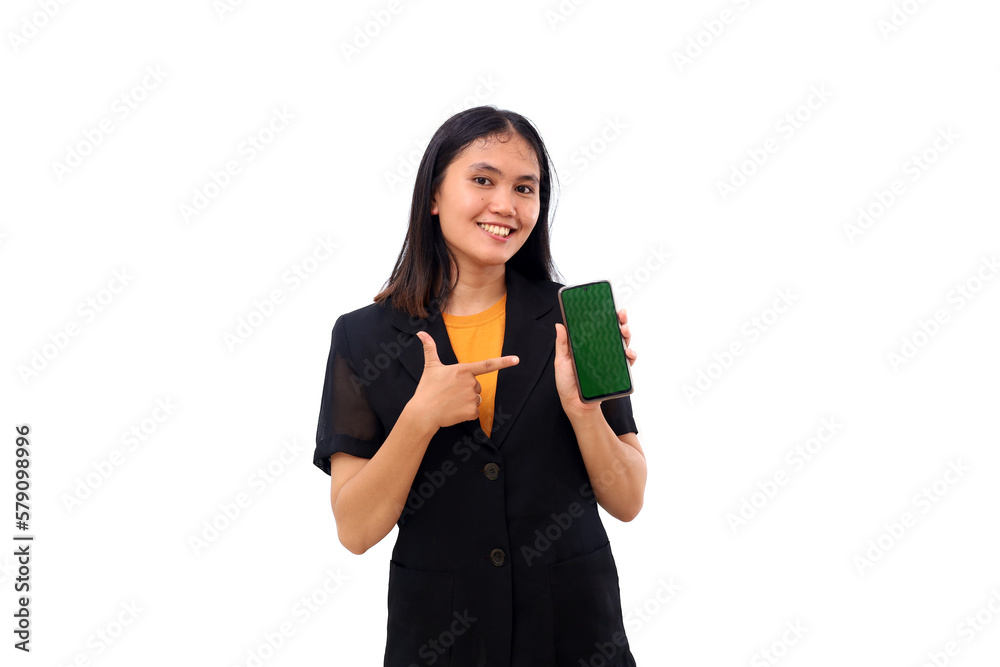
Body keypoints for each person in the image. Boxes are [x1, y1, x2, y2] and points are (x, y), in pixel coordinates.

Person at [313, 106, 646, 666]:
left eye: (525, 188)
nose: (505, 206)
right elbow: (356, 529)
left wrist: (583, 410)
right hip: (443, 639)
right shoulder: (362, 337)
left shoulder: (578, 321)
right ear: (435, 195)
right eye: (482, 180)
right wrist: (421, 416)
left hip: (575, 633)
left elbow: (628, 499)